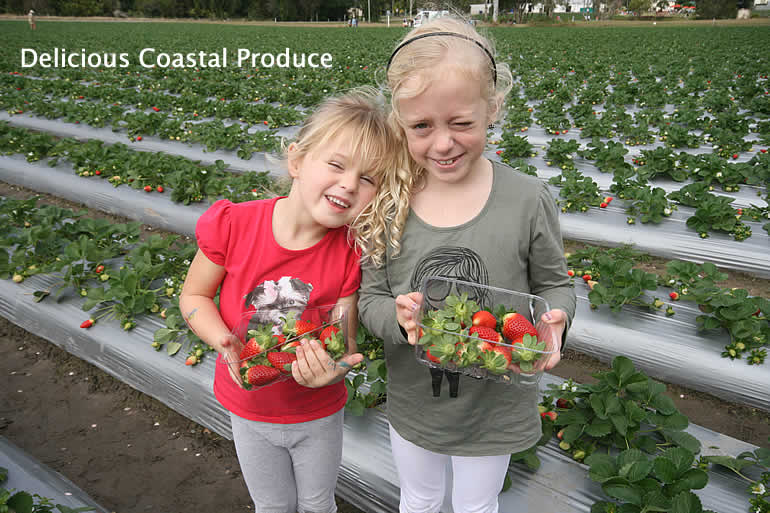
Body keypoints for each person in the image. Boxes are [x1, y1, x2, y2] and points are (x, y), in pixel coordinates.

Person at [357, 16, 577, 513]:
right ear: (400, 122)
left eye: (462, 123)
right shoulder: (387, 201)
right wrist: (398, 315)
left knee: (477, 504)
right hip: (418, 403)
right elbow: (369, 297)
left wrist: (556, 320)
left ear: (492, 109)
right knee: (420, 497)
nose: (443, 143)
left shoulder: (526, 199)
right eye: (421, 127)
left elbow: (556, 286)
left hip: (494, 406)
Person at [179, 86, 399, 513]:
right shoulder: (234, 226)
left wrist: (334, 372)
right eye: (336, 164)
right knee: (272, 506)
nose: (349, 184)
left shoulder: (351, 255)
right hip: (248, 407)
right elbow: (194, 294)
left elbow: (343, 340)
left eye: (369, 178)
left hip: (317, 411)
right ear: (297, 161)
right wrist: (222, 338)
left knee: (318, 504)